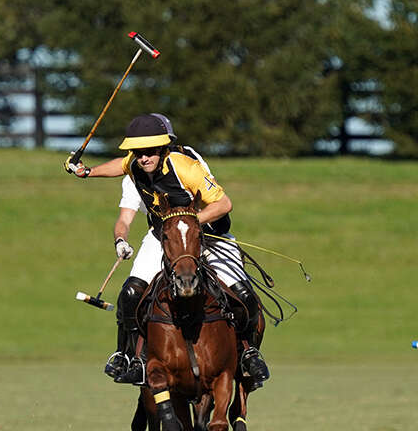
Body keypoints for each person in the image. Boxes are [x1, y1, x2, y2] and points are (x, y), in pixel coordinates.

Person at [65, 113, 270, 389]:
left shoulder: (186, 166)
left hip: (209, 235)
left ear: (162, 149)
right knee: (130, 293)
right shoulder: (135, 164)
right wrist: (86, 171)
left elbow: (224, 204)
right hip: (164, 237)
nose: (144, 158)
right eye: (138, 153)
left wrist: (187, 225)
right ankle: (128, 357)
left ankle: (249, 353)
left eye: (149, 152)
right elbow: (119, 166)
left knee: (243, 293)